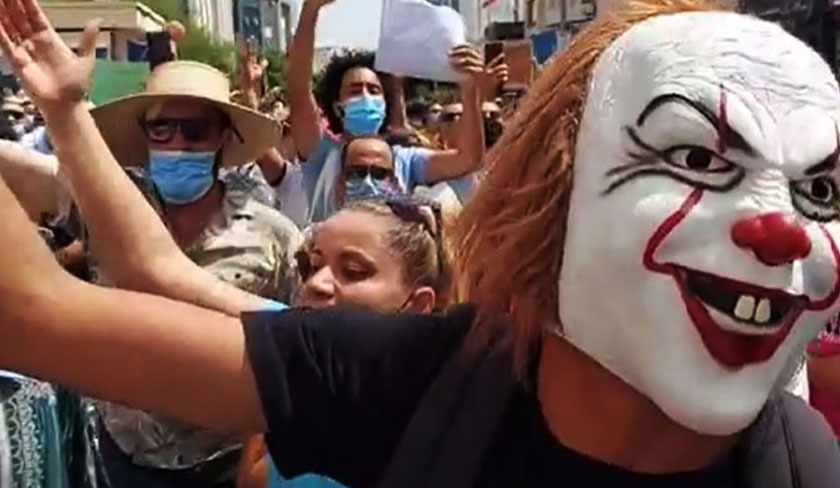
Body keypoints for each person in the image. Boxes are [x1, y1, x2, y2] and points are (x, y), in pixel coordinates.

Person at [0, 3, 839, 488]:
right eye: (695, 158)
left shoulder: (805, 462)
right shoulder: (404, 380)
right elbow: (42, 310)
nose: (782, 228)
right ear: (556, 190)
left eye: (822, 190)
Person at [86, 60, 305, 486]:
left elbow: (292, 351)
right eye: (162, 129)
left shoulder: (274, 236)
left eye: (195, 129)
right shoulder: (103, 218)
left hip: (224, 459)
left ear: (224, 137)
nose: (177, 143)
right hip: (124, 450)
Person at [237, 197, 450, 488]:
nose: (316, 284)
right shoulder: (289, 374)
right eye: (313, 266)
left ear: (417, 304)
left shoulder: (434, 425)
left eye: (353, 272)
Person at [285, 0, 490, 223]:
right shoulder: (321, 155)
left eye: (373, 90)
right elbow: (298, 94)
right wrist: (309, 12)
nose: (366, 96)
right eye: (355, 91)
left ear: (384, 103)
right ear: (337, 107)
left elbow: (468, 160)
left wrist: (469, 90)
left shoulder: (405, 161)